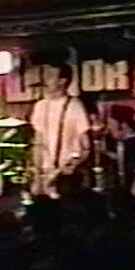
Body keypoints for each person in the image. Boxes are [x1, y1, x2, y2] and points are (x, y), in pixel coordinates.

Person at [30, 63, 91, 196]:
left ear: (62, 81)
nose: (46, 80)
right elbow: (38, 142)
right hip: (45, 173)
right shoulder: (40, 106)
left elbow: (86, 147)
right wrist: (37, 174)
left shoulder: (75, 106)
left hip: (66, 176)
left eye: (51, 76)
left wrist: (74, 164)